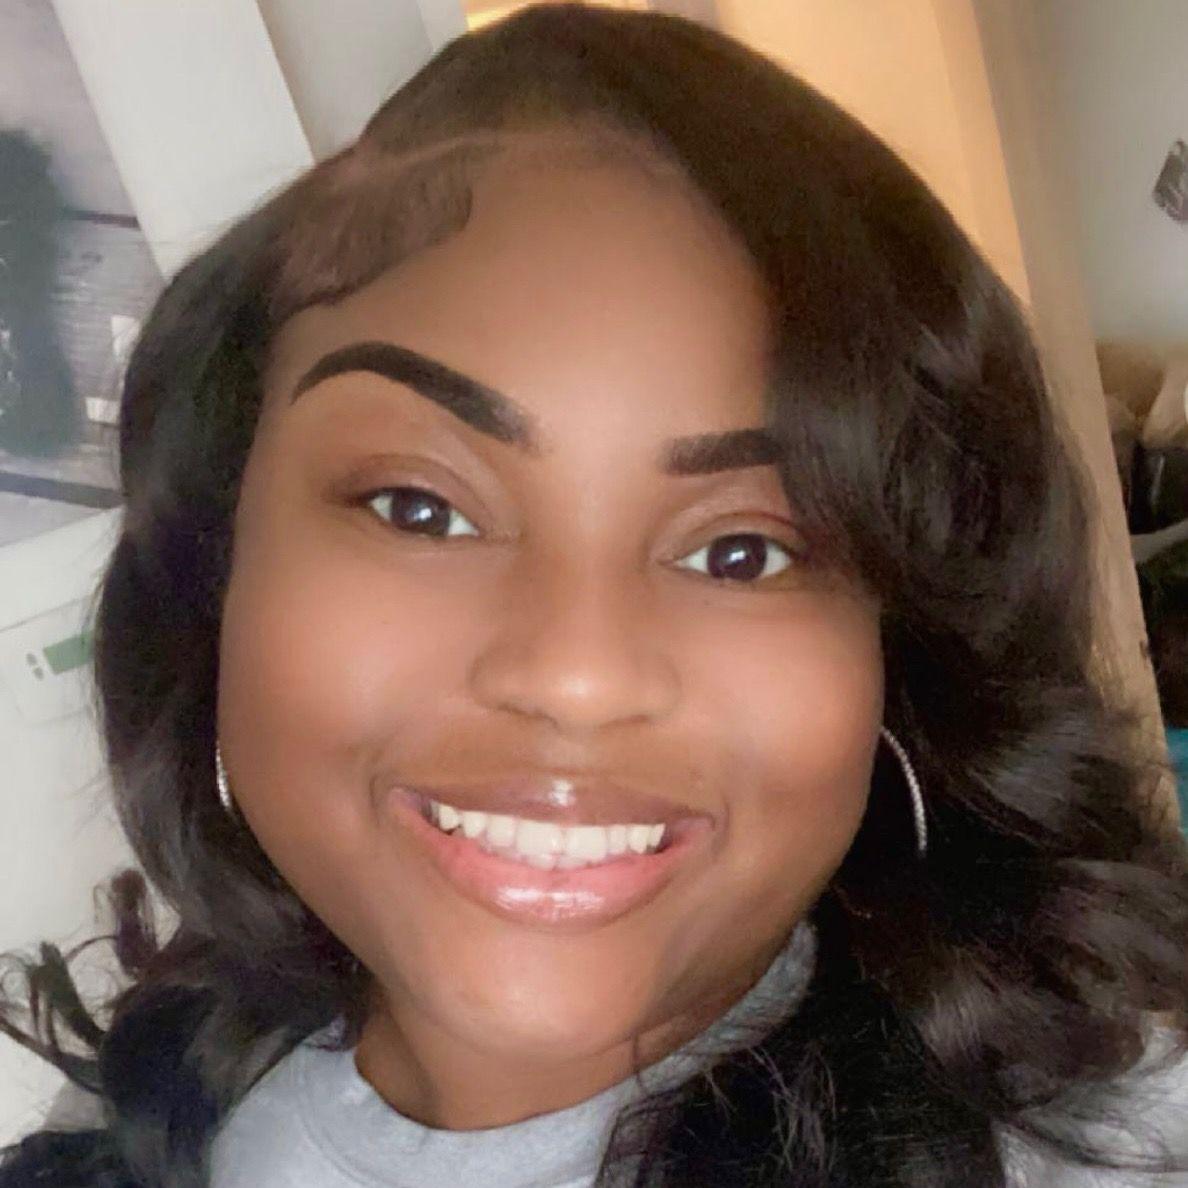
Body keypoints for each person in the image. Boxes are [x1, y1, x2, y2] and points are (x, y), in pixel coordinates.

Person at [2, 5, 1186, 1185]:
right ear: (221, 569)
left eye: (743, 554)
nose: (578, 674)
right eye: (420, 508)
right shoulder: (153, 1093)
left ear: (897, 649)